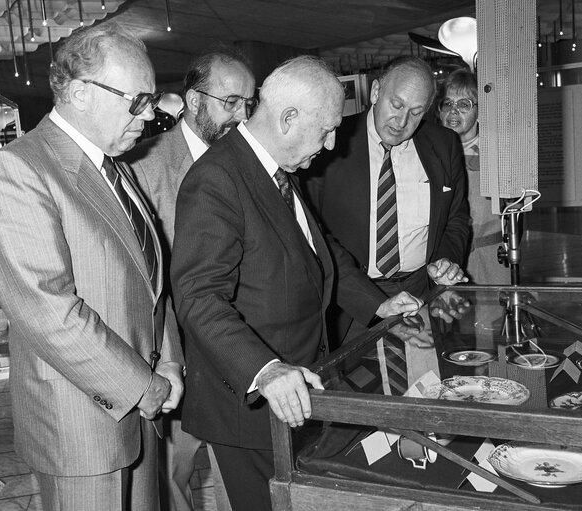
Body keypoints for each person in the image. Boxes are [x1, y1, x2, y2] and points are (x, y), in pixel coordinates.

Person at [170, 55, 422, 511]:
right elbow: (198, 297)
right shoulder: (216, 180)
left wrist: (378, 304)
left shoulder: (276, 169)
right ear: (288, 118)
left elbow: (320, 252)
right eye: (325, 130)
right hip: (252, 405)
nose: (329, 146)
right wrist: (263, 369)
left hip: (298, 389)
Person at [0, 23, 183, 511]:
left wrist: (169, 359)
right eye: (137, 101)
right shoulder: (19, 170)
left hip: (142, 406)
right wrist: (143, 386)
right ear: (79, 93)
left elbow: (152, 282)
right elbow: (48, 311)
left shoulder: (117, 167)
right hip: (82, 427)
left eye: (151, 100)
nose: (150, 115)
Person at [126, 47, 255, 511]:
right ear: (194, 101)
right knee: (174, 476)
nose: (243, 116)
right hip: (179, 353)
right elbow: (142, 279)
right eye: (231, 102)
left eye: (249, 104)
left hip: (242, 349)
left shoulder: (251, 162)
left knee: (240, 479)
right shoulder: (143, 166)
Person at [304, 56, 471, 343]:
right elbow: (314, 236)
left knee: (423, 384)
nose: (402, 121)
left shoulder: (443, 144)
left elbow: (456, 218)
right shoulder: (330, 143)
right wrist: (371, 302)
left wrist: (445, 260)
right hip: (350, 304)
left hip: (421, 297)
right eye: (397, 105)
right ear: (376, 91)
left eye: (416, 112)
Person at [439, 68, 510, 284]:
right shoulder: (429, 154)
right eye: (447, 104)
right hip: (445, 262)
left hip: (489, 262)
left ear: (480, 111)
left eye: (464, 104)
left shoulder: (497, 155)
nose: (453, 112)